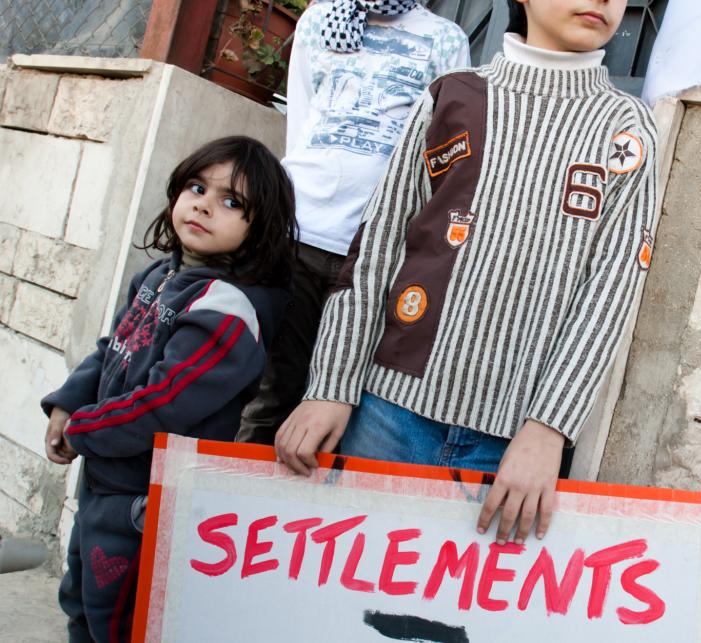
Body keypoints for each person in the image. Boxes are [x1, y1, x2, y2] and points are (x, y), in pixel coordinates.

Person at [277, 0, 658, 547]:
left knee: (450, 628)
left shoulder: (627, 127)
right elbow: (380, 244)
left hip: (513, 449)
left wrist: (549, 430)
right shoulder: (451, 96)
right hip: (388, 414)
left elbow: (612, 290)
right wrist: (331, 385)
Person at [41, 136, 297, 643]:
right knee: (79, 601)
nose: (203, 204)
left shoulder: (227, 312)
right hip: (105, 480)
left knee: (120, 619)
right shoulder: (161, 276)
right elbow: (111, 348)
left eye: (231, 202)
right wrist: (68, 405)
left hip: (148, 499)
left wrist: (85, 429)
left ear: (259, 229)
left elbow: (164, 403)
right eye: (197, 187)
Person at [236, 0, 470, 445]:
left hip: (374, 253)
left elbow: (438, 146)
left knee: (342, 400)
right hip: (296, 236)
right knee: (270, 391)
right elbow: (301, 123)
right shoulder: (320, 20)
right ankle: (237, 507)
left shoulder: (446, 39)